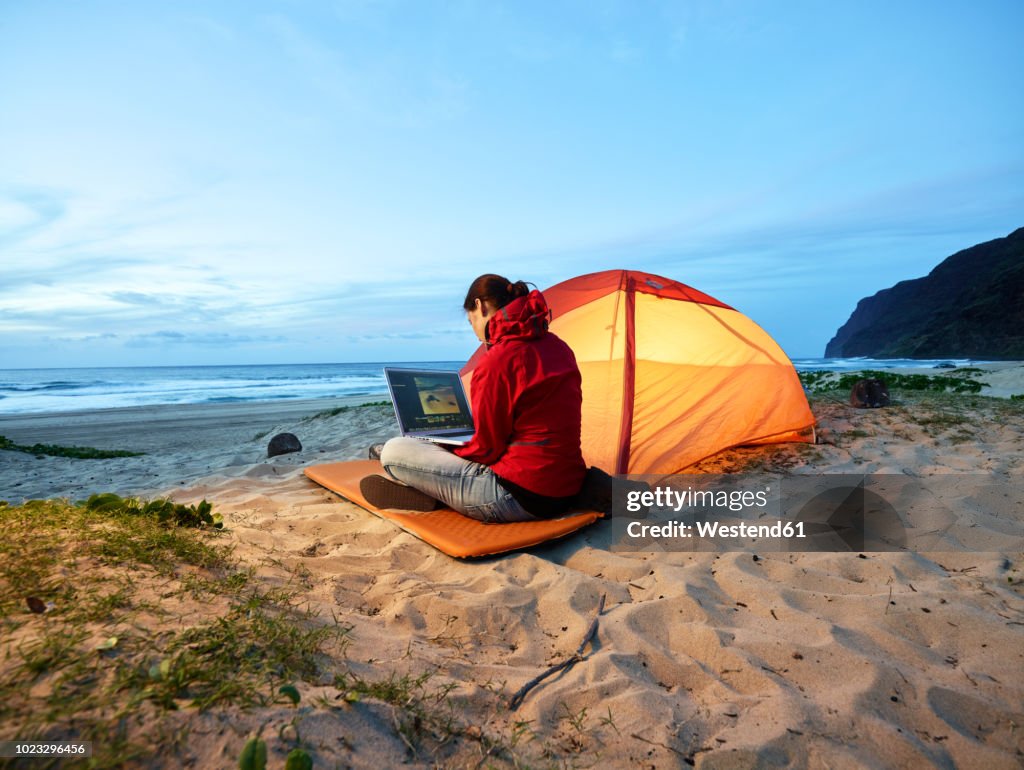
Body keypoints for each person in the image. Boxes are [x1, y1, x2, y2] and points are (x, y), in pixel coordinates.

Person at [360, 274, 587, 522]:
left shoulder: (499, 359)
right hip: (567, 489)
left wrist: (443, 446)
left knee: (394, 450)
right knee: (429, 446)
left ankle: (434, 494)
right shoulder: (559, 347)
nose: (477, 334)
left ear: (479, 306)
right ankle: (435, 485)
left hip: (517, 496)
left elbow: (485, 450)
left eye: (471, 322)